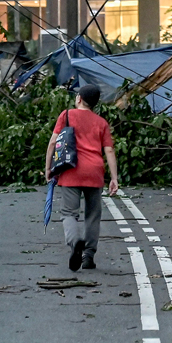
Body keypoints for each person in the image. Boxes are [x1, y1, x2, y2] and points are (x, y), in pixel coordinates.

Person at [45, 84, 119, 271]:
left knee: (69, 213)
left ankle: (75, 241)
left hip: (71, 170)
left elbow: (53, 141)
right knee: (93, 215)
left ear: (79, 98)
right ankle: (88, 256)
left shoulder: (67, 115)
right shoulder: (101, 122)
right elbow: (109, 150)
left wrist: (49, 168)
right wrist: (114, 178)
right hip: (94, 172)